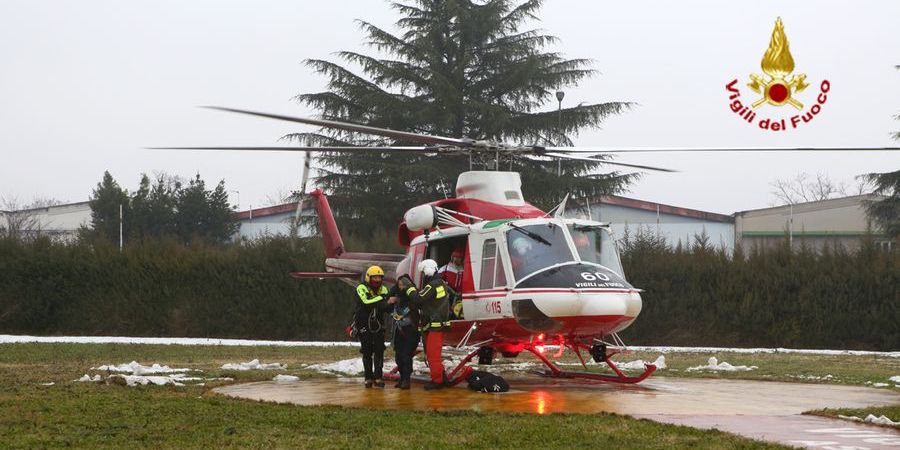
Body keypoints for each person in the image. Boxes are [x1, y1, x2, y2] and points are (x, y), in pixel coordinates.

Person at [403, 259, 451, 390]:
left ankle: (437, 381)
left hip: (434, 325)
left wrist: (410, 289)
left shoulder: (432, 285)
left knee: (432, 355)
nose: (423, 276)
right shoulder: (441, 283)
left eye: (423, 272)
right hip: (438, 324)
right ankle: (442, 376)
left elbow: (418, 298)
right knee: (435, 354)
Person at [354, 265, 391, 388]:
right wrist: (381, 299)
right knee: (367, 351)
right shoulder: (361, 287)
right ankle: (368, 378)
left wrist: (386, 302)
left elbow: (385, 306)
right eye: (375, 277)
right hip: (363, 323)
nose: (377, 280)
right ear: (369, 277)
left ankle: (378, 377)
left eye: (379, 277)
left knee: (379, 350)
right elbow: (366, 302)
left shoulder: (384, 289)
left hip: (378, 324)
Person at [388, 274, 418, 390]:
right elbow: (387, 301)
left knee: (406, 355)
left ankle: (406, 379)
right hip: (398, 330)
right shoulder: (395, 294)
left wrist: (397, 299)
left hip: (411, 330)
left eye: (403, 285)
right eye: (399, 285)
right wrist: (390, 299)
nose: (401, 287)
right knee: (398, 356)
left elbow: (414, 303)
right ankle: (402, 378)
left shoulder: (414, 296)